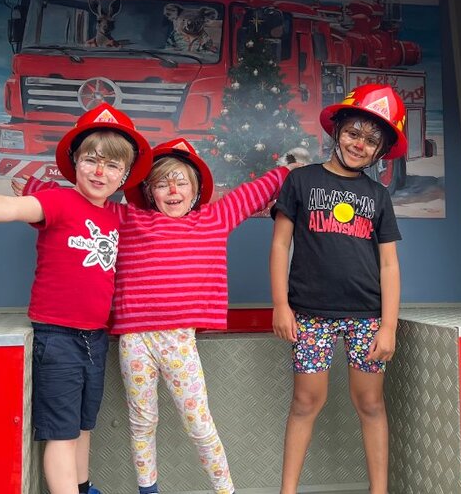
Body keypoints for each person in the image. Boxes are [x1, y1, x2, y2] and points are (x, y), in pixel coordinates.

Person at [19, 138, 301, 494]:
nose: (172, 189)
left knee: (200, 424)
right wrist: (35, 188)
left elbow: (251, 193)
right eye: (162, 182)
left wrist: (288, 170)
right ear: (149, 192)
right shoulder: (128, 218)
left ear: (196, 191)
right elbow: (79, 206)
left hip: (179, 342)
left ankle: (226, 490)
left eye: (181, 181)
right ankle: (148, 490)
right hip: (135, 342)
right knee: (142, 423)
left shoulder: (214, 218)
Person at [0, 103, 152, 494]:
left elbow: (169, 225)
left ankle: (83, 486)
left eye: (112, 166)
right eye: (92, 160)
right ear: (74, 163)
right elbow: (10, 206)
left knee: (82, 425)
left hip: (95, 337)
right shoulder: (59, 202)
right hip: (57, 337)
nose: (100, 172)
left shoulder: (119, 215)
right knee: (61, 432)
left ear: (124, 176)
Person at [269, 84, 406, 494]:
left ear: (380, 151)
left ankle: (378, 491)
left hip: (367, 317)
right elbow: (280, 244)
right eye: (353, 133)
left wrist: (389, 327)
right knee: (306, 402)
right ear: (337, 130)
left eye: (371, 140)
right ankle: (287, 491)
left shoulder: (378, 196)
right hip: (309, 314)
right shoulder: (300, 182)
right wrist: (280, 304)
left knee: (371, 404)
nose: (359, 144)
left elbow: (389, 263)